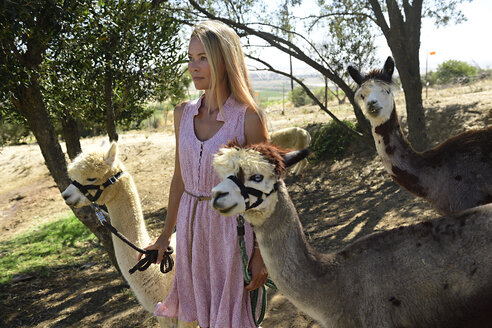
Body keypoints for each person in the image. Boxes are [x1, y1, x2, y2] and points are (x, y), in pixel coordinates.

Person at [144, 20, 269, 328]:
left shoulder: (248, 117)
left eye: (203, 58)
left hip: (231, 233)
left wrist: (263, 254)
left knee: (233, 318)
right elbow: (179, 179)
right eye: (190, 58)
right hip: (190, 230)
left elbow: (266, 192)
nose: (193, 66)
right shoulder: (182, 113)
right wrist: (164, 235)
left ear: (224, 61)